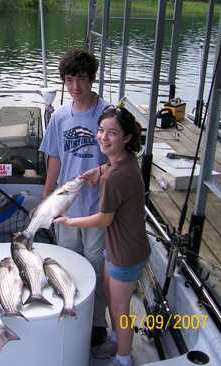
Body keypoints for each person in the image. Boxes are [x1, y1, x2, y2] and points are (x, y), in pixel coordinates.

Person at [54, 105, 150, 366]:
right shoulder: (123, 162)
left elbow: (104, 219)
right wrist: (98, 171)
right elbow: (111, 165)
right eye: (101, 131)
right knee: (108, 295)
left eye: (113, 134)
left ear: (128, 138)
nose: (103, 138)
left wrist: (70, 220)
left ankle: (124, 357)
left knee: (120, 309)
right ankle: (118, 339)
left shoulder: (119, 177)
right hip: (115, 246)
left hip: (126, 253)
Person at [39, 48, 109, 346]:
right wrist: (46, 195)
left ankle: (96, 323)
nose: (75, 86)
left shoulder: (107, 115)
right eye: (69, 80)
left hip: (96, 206)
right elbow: (54, 156)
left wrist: (101, 172)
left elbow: (121, 158)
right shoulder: (60, 116)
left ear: (92, 79)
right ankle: (73, 314)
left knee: (95, 265)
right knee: (69, 262)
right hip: (66, 205)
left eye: (81, 78)